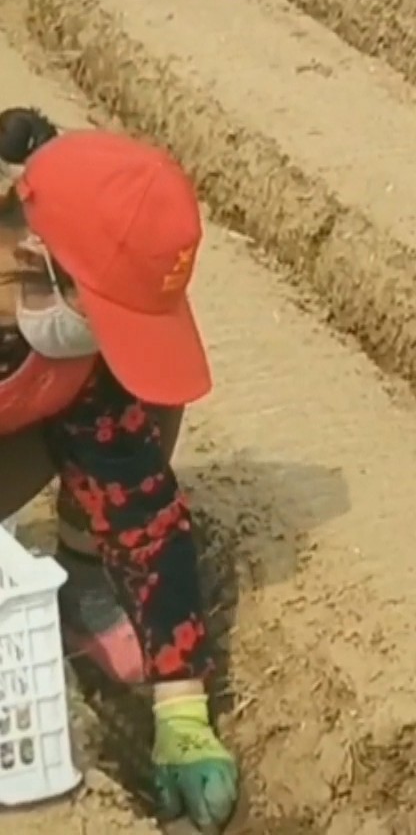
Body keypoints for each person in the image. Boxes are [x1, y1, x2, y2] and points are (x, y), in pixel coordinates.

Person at [0, 109, 237, 832]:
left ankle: (80, 586)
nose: (101, 336)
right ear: (35, 252)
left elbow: (140, 507)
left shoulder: (65, 340)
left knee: (134, 401)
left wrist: (183, 706)